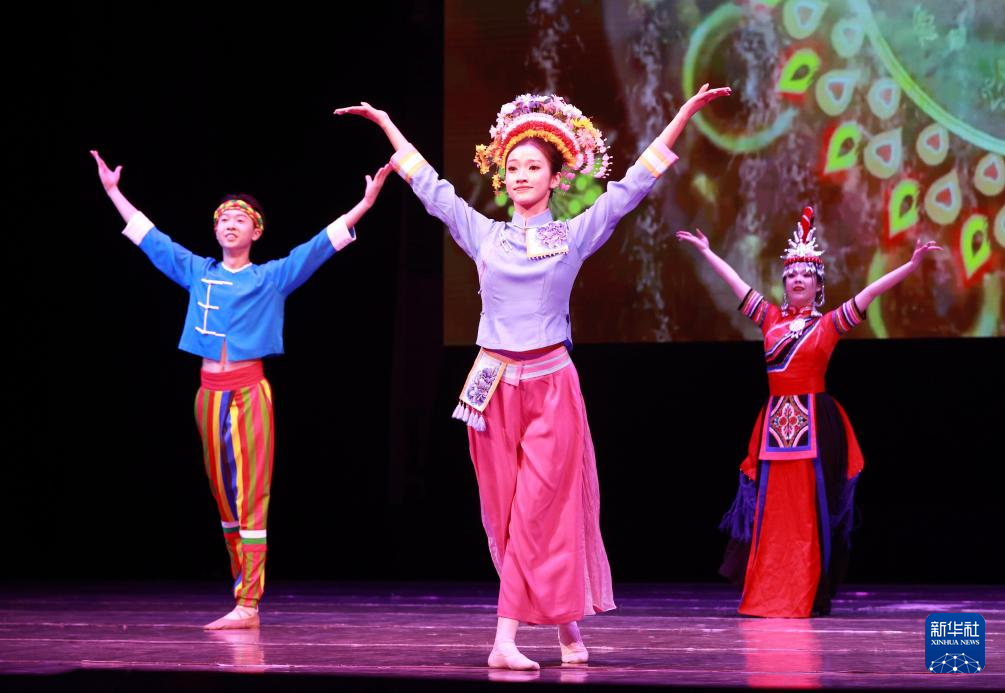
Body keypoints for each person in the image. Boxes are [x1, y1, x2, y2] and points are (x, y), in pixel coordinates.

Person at [335, 84, 730, 668]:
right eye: (513, 167)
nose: (520, 175)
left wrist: (683, 115)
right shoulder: (485, 234)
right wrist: (388, 123)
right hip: (489, 384)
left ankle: (504, 641)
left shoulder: (572, 235)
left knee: (541, 512)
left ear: (555, 178)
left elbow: (631, 187)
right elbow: (432, 189)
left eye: (533, 167)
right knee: (507, 514)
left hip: (550, 383)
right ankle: (567, 629)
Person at [90, 149, 391, 629]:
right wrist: (113, 192)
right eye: (224, 219)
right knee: (224, 499)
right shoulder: (198, 272)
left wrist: (366, 203)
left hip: (250, 392)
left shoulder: (271, 277)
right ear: (216, 230)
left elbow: (319, 245)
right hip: (208, 394)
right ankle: (241, 595)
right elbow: (151, 238)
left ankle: (249, 603)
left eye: (240, 219)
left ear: (256, 232)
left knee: (252, 495)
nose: (230, 225)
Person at [677, 208, 940, 617]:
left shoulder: (828, 325)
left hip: (814, 424)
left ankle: (802, 593)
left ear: (818, 284)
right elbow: (736, 284)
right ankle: (767, 593)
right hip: (775, 425)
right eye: (791, 274)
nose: (798, 279)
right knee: (771, 512)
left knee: (807, 514)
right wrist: (708, 252)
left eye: (806, 274)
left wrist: (910, 266)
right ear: (784, 283)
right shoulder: (769, 318)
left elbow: (870, 292)